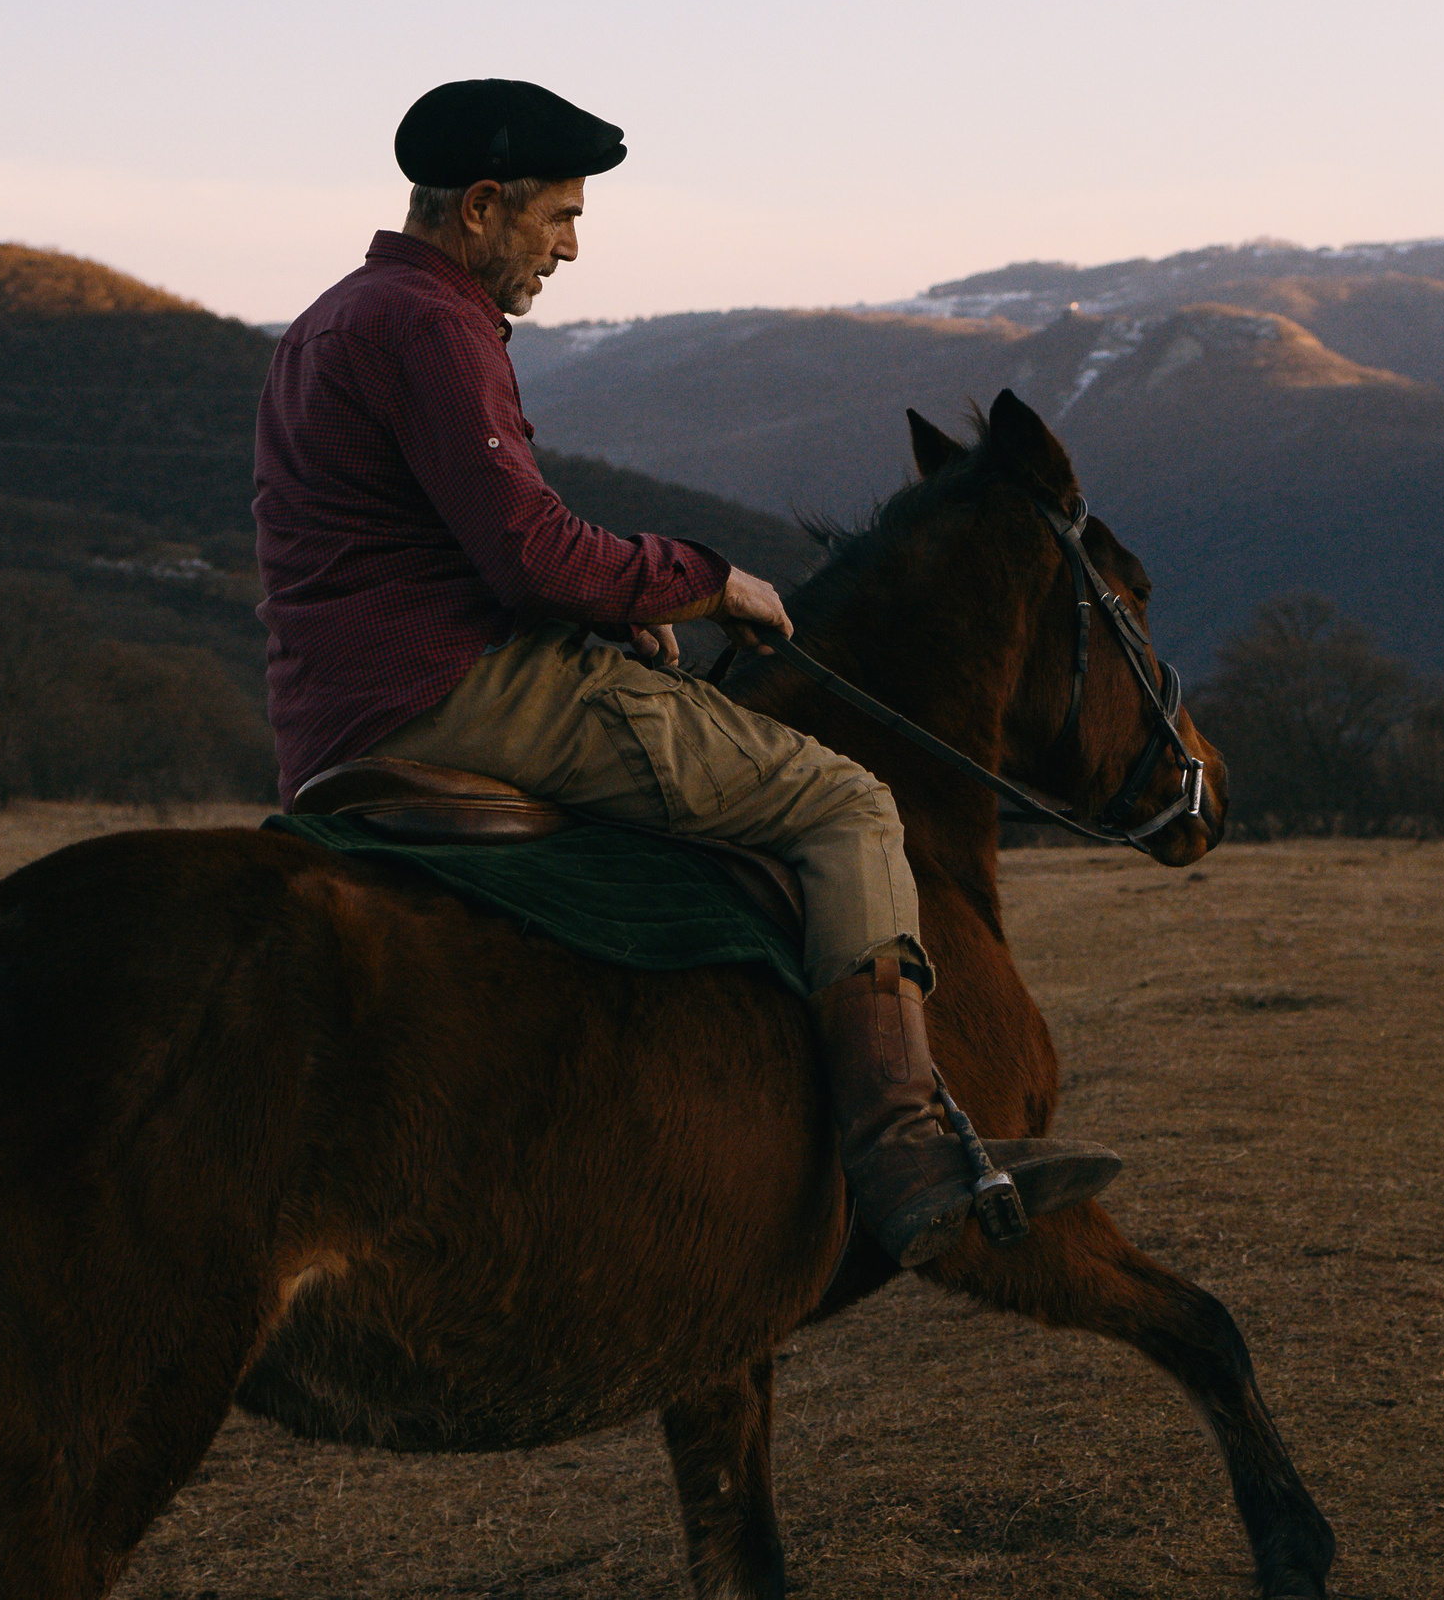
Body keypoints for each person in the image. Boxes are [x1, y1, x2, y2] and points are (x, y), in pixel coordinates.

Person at [252, 79, 1118, 1266]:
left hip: (336, 711)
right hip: (453, 693)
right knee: (847, 802)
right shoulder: (432, 326)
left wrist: (620, 608)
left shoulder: (329, 322)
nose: (569, 247)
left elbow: (437, 547)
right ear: (483, 206)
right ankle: (906, 1151)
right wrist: (707, 582)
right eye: (559, 215)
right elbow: (529, 552)